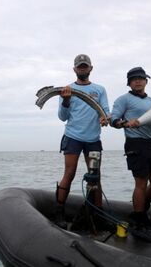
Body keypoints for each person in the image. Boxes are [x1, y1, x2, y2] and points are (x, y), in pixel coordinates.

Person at [55, 54, 110, 229]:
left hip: (93, 140)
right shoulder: (67, 89)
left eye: (85, 66)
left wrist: (105, 118)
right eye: (79, 66)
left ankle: (97, 213)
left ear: (91, 68)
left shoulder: (100, 89)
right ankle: (59, 212)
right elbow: (62, 117)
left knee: (95, 176)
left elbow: (106, 112)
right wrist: (65, 100)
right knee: (69, 173)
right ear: (74, 69)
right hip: (72, 138)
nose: (82, 69)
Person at [110, 67, 151, 227]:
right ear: (129, 83)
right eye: (134, 79)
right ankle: (140, 217)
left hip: (150, 143)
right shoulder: (123, 100)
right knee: (141, 183)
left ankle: (139, 210)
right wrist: (126, 123)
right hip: (135, 143)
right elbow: (114, 121)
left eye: (141, 78)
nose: (138, 81)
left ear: (146, 81)